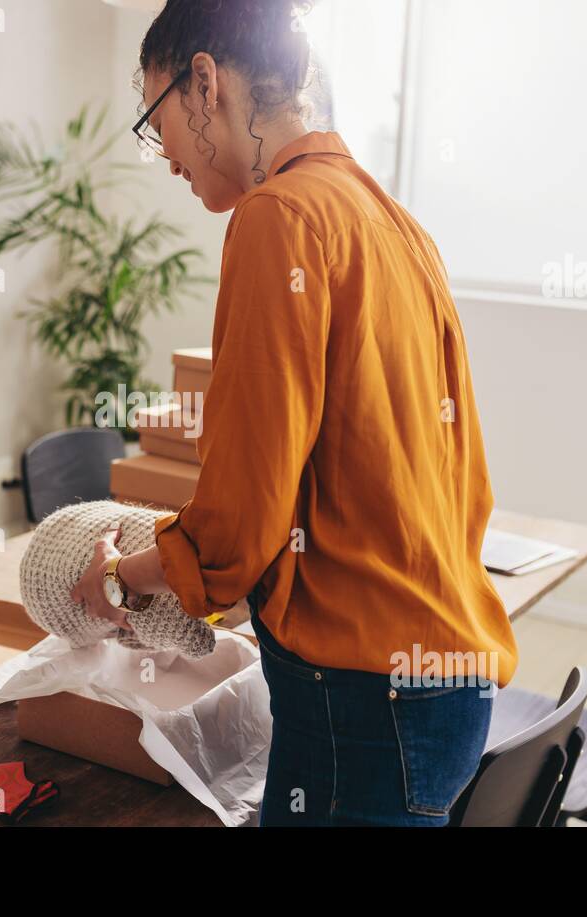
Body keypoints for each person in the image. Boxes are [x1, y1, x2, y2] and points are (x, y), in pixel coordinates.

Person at [69, 0, 517, 826]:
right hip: (443, 680)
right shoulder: (393, 221)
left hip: (363, 704)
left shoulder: (276, 217)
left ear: (204, 83)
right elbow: (447, 475)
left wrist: (119, 575)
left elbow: (241, 514)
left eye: (153, 117)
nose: (164, 155)